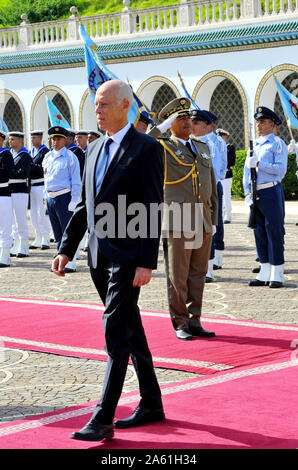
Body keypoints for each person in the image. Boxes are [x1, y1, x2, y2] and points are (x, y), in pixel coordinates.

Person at [52, 79, 165, 442]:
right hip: (98, 256)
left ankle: (103, 416)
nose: (96, 110)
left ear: (124, 106)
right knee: (130, 326)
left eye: (103, 104)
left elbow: (151, 206)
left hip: (130, 258)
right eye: (95, 104)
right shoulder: (94, 149)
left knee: (115, 332)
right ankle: (152, 401)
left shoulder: (146, 148)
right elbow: (86, 205)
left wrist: (147, 261)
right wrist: (66, 247)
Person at [148, 101, 218, 341]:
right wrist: (161, 127)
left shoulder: (202, 147)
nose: (188, 122)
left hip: (203, 218)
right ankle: (180, 321)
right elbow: (143, 144)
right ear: (170, 123)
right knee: (177, 275)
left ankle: (195, 319)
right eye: (181, 118)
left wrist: (214, 218)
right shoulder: (162, 147)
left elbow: (212, 185)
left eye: (189, 118)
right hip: (177, 219)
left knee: (198, 273)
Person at [243, 106, 288, 288]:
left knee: (274, 232)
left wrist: (260, 163)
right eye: (258, 122)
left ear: (271, 124)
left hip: (271, 190)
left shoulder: (277, 144)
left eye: (263, 121)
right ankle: (264, 271)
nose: (259, 125)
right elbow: (247, 172)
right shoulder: (255, 145)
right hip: (257, 192)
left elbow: (280, 170)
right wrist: (247, 192)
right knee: (259, 232)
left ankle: (277, 273)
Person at [191, 110, 227, 278]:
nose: (192, 125)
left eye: (196, 123)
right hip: (192, 191)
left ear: (205, 125)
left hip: (209, 189)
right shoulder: (189, 142)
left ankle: (209, 267)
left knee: (209, 227)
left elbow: (216, 169)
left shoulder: (212, 144)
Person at [43, 126, 81, 273]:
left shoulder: (71, 157)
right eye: (53, 138)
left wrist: (74, 200)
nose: (55, 142)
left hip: (64, 197)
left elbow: (76, 181)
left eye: (58, 138)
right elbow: (46, 178)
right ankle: (60, 259)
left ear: (65, 140)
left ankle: (72, 260)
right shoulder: (47, 157)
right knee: (57, 232)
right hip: (51, 198)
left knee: (68, 231)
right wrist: (44, 196)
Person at [8, 131, 32, 258]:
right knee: (13, 222)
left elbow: (23, 173)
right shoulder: (10, 154)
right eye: (9, 139)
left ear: (20, 140)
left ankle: (24, 247)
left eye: (12, 139)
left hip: (20, 190)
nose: (10, 142)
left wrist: (8, 171)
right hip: (10, 190)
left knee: (20, 221)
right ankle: (16, 245)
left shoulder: (25, 156)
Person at [29, 130, 51, 250]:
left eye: (35, 138)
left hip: (41, 184)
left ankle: (45, 237)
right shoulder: (30, 151)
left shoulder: (45, 152)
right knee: (33, 213)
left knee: (42, 212)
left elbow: (44, 168)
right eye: (31, 138)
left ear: (40, 138)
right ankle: (38, 235)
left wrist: (30, 166)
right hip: (31, 185)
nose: (32, 140)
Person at [216, 128, 236, 225]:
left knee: (226, 195)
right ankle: (221, 213)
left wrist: (222, 165)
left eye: (221, 136)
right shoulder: (215, 147)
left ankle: (227, 214)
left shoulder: (230, 148)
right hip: (217, 175)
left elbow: (232, 162)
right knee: (219, 195)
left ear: (225, 137)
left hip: (226, 174)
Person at [0, 131, 14, 267]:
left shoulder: (6, 154)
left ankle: (5, 256)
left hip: (3, 193)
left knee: (5, 226)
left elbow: (4, 174)